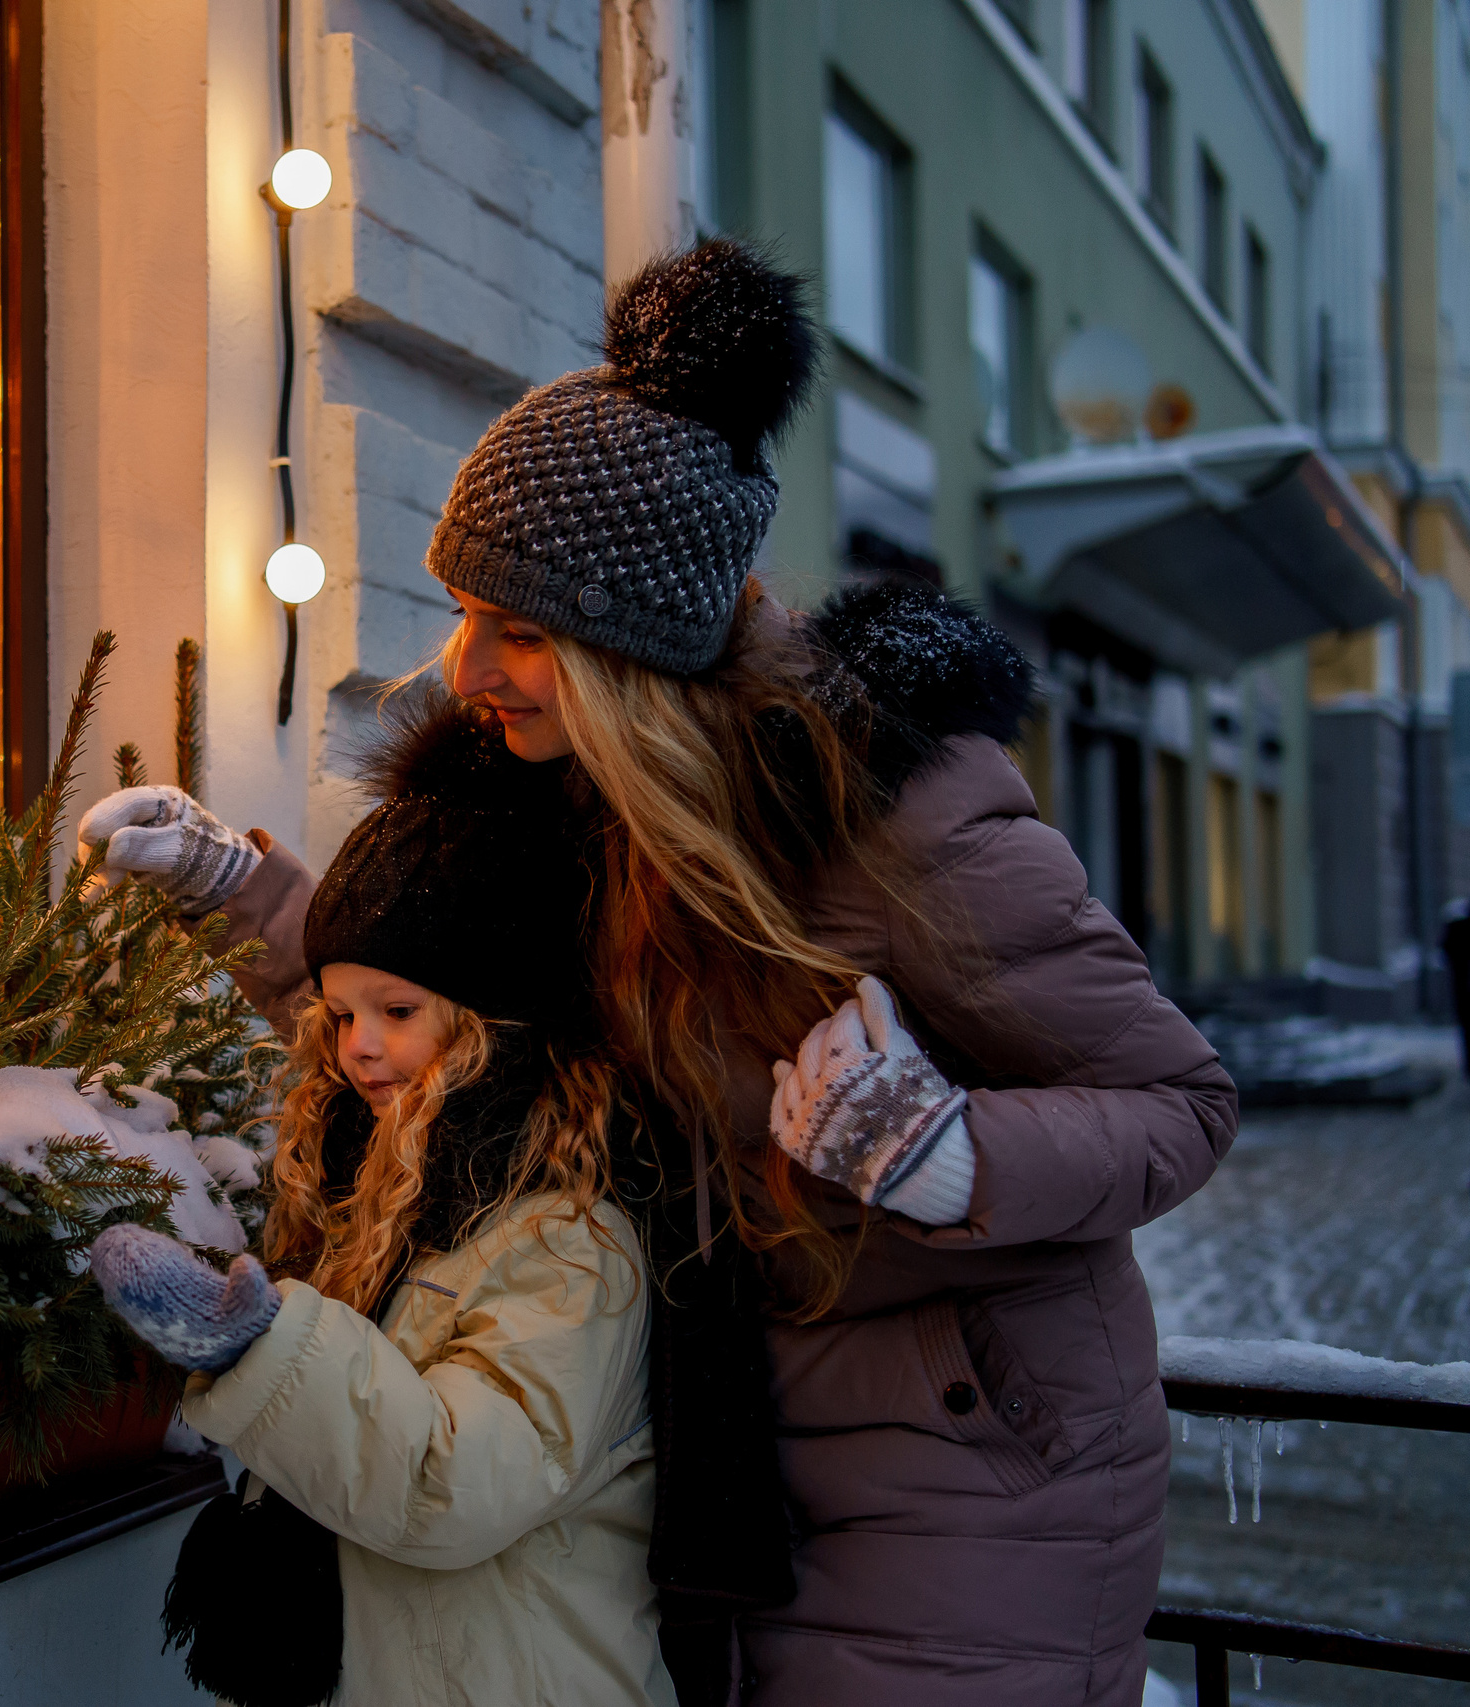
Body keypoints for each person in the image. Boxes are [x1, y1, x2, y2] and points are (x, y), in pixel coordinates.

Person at [82, 240, 1237, 1705]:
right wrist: (235, 888)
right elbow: (434, 1013)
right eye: (465, 611)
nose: (468, 668)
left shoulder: (902, 815)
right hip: (708, 1443)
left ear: (636, 648)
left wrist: (948, 1154)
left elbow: (1178, 1099)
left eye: (520, 630)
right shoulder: (564, 804)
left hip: (963, 1463)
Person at [88, 698, 675, 1707]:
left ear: (493, 1019)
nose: (356, 1043)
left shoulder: (567, 1239)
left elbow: (450, 1482)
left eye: (395, 1013)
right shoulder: (396, 1178)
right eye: (342, 1011)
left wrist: (260, 1350)